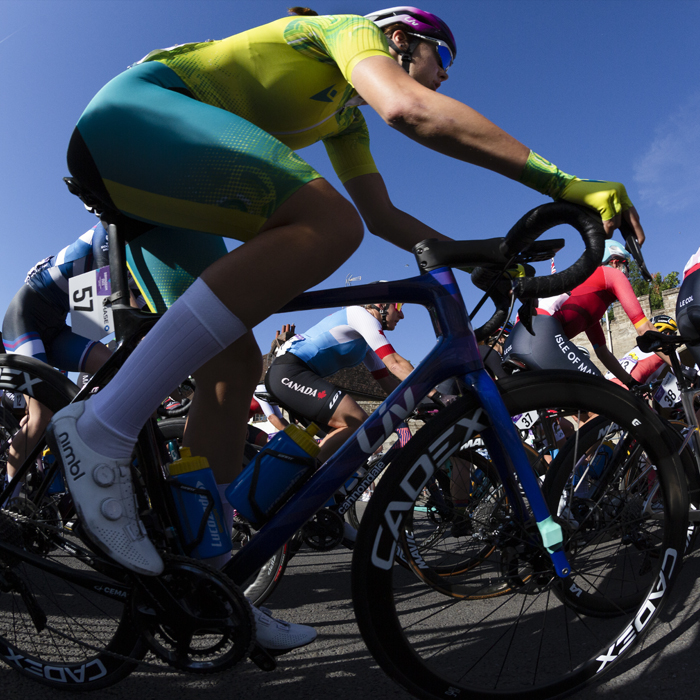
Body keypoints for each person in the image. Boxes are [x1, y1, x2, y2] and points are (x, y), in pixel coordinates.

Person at [46, 6, 647, 650]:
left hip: (149, 178)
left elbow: (384, 215)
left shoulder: (344, 118)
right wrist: (565, 184)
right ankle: (102, 427)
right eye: (442, 59)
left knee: (233, 367)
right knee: (326, 225)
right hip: (137, 114)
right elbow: (409, 109)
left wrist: (484, 257)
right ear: (401, 38)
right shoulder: (344, 30)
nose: (443, 78)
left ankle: (207, 580)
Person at [2, 224, 114, 499]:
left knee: (114, 366)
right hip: (24, 321)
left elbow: (97, 324)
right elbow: (120, 310)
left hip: (56, 331)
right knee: (41, 416)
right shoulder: (108, 230)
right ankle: (9, 499)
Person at [503, 239, 664, 385]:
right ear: (615, 263)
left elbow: (603, 353)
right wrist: (684, 370)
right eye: (626, 267)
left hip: (517, 338)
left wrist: (630, 382)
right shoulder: (612, 274)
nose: (628, 275)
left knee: (572, 411)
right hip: (540, 333)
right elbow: (645, 330)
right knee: (603, 394)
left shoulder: (590, 307)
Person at [266, 301, 411, 462]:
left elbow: (387, 382)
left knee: (351, 445)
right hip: (288, 372)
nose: (401, 315)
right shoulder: (361, 315)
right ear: (381, 305)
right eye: (398, 307)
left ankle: (317, 481)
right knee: (357, 421)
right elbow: (395, 363)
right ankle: (308, 480)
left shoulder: (366, 346)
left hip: (292, 377)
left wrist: (417, 403)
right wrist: (435, 394)